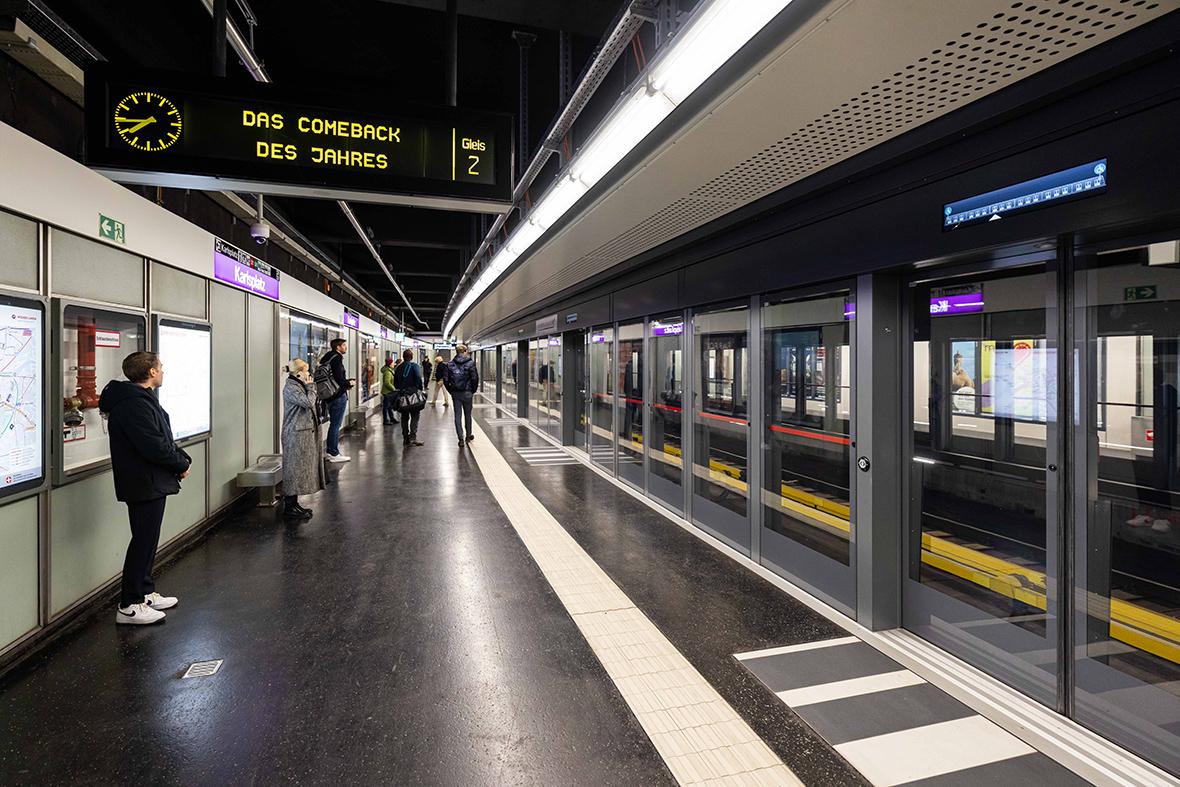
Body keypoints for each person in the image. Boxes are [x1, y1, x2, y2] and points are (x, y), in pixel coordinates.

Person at [98, 351, 192, 626]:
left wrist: (178, 460)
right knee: (142, 540)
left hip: (148, 480)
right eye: (160, 367)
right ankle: (129, 604)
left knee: (147, 538)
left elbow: (160, 438)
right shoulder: (134, 405)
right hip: (143, 481)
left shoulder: (137, 400)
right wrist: (180, 464)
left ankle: (145, 591)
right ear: (151, 372)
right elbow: (153, 444)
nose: (163, 371)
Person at [280, 359, 325, 520]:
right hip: (295, 434)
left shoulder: (297, 386)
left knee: (298, 469)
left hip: (301, 434)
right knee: (293, 469)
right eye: (306, 371)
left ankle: (294, 503)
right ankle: (289, 506)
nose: (308, 375)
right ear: (298, 373)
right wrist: (311, 386)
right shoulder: (291, 388)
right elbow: (308, 402)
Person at [318, 338, 353, 462]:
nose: (345, 347)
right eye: (344, 345)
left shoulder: (326, 358)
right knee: (336, 425)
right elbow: (339, 378)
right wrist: (348, 383)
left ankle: (330, 451)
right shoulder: (336, 359)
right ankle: (333, 453)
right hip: (338, 396)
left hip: (328, 395)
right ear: (338, 347)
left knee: (333, 424)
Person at [445, 343, 480, 447]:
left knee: (457, 415)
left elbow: (446, 380)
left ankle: (460, 438)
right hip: (467, 392)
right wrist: (472, 390)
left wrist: (451, 391)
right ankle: (468, 435)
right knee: (468, 415)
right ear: (465, 351)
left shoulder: (450, 364)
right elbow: (475, 378)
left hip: (456, 393)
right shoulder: (471, 363)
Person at [395, 348, 425, 446]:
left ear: (403, 357)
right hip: (413, 396)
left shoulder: (398, 368)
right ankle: (413, 437)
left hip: (402, 396)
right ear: (411, 357)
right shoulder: (414, 366)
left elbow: (395, 383)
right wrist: (420, 389)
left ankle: (405, 438)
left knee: (404, 417)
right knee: (415, 416)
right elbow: (418, 378)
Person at [380, 356, 400, 426]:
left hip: (388, 392)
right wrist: (393, 389)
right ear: (389, 364)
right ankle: (386, 420)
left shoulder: (389, 370)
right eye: (392, 363)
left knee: (389, 406)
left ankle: (391, 418)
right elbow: (387, 382)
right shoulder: (388, 372)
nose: (393, 364)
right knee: (386, 407)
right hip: (387, 392)